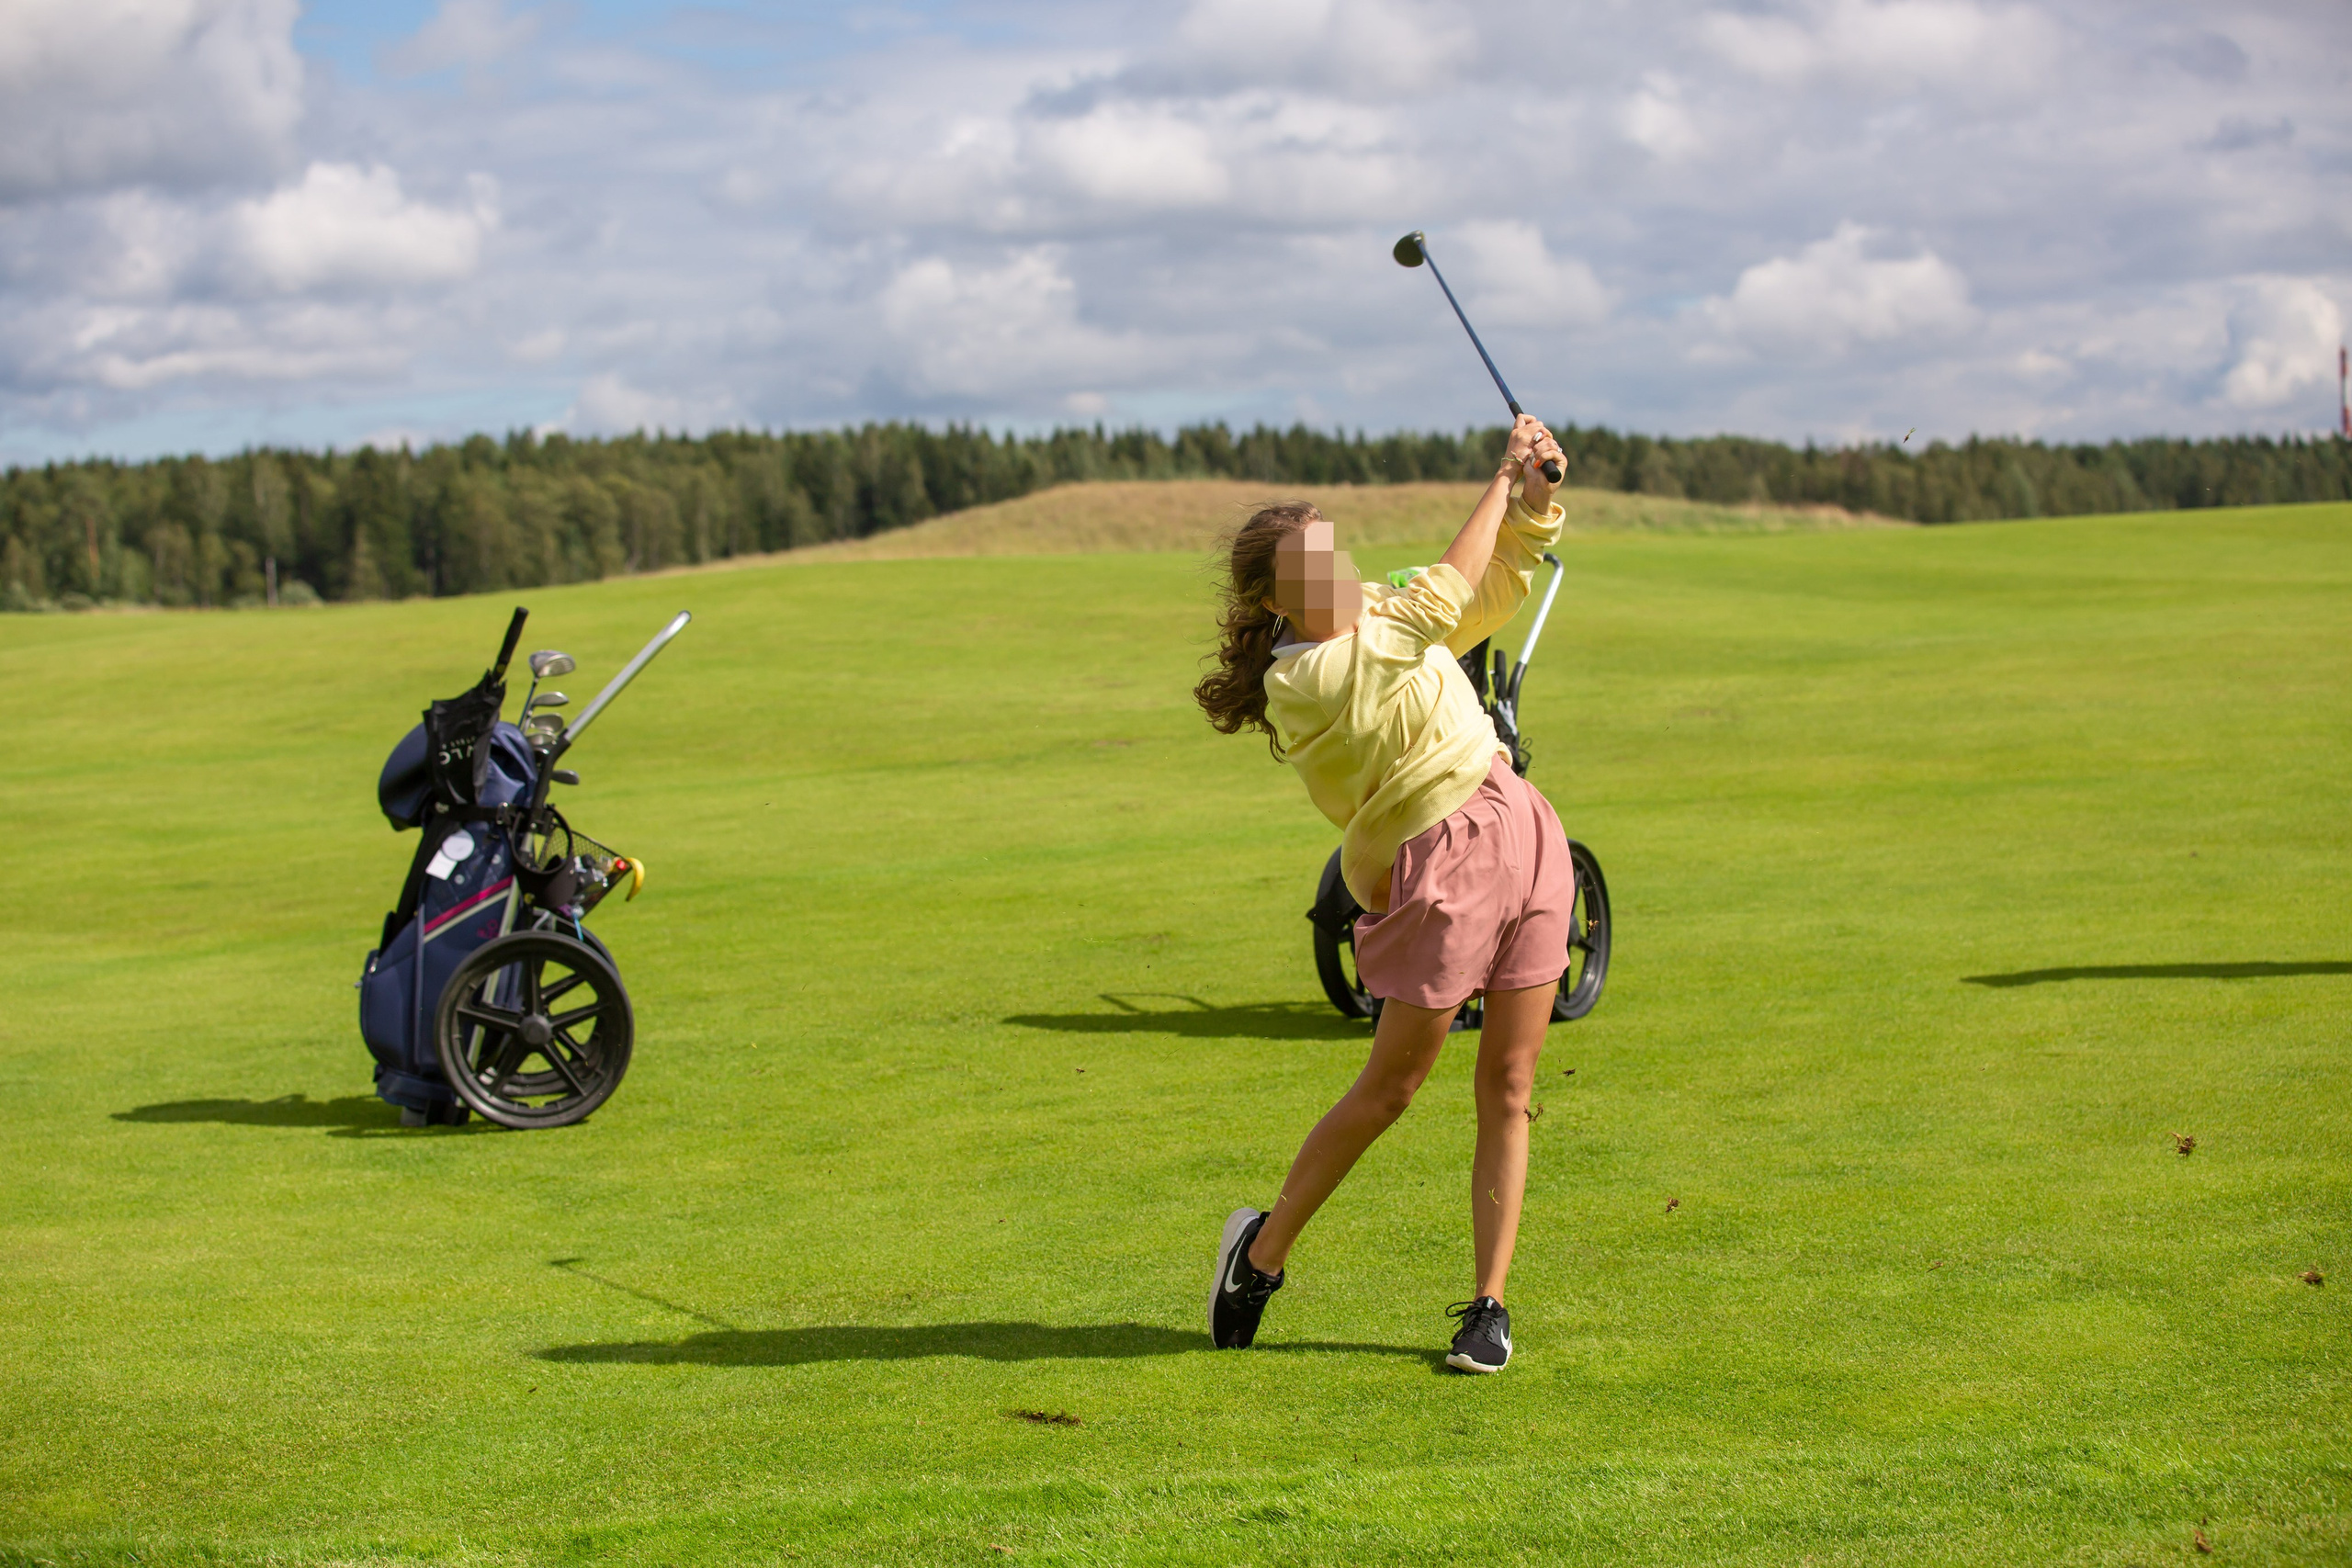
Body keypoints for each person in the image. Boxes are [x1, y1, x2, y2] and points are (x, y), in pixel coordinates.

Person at [1192, 414, 1573, 1373]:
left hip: (1521, 823)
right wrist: (1500, 474)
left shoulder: (1372, 610)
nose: (1338, 571)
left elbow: (1478, 598)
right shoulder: (1312, 674)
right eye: (1312, 566)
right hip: (1436, 859)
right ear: (1275, 598)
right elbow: (1439, 598)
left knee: (1513, 1084)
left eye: (1336, 551)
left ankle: (1488, 1305)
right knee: (1394, 1086)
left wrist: (1530, 508)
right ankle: (1261, 1256)